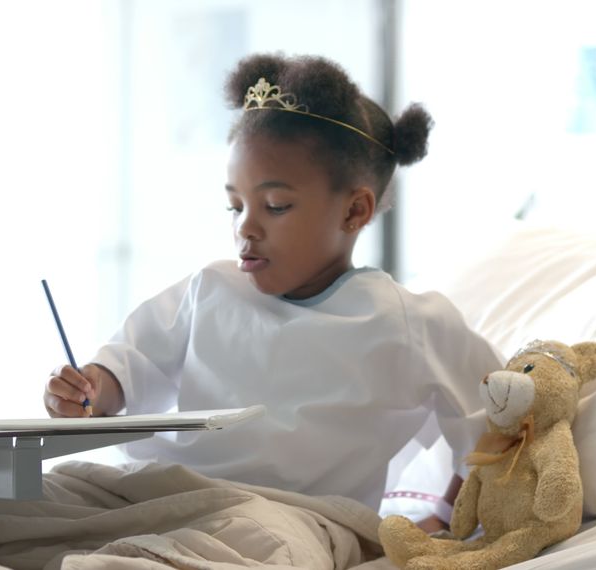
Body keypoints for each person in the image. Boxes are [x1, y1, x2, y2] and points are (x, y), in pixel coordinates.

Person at [43, 53, 501, 528]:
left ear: (354, 212)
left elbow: (497, 426)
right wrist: (88, 390)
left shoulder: (406, 322)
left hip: (297, 521)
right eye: (234, 206)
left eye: (276, 206)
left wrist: (445, 517)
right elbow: (131, 367)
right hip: (161, 496)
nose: (246, 228)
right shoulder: (212, 288)